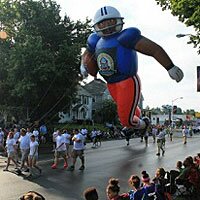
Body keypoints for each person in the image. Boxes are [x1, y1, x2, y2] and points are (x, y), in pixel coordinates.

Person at [80, 6, 183, 132]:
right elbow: (87, 54)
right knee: (128, 108)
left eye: (110, 21)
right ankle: (137, 117)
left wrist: (170, 66)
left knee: (125, 120)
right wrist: (83, 65)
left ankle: (144, 124)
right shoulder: (95, 40)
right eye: (102, 23)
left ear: (117, 20)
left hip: (127, 81)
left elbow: (153, 49)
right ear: (97, 26)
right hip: (111, 83)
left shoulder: (126, 37)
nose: (107, 25)